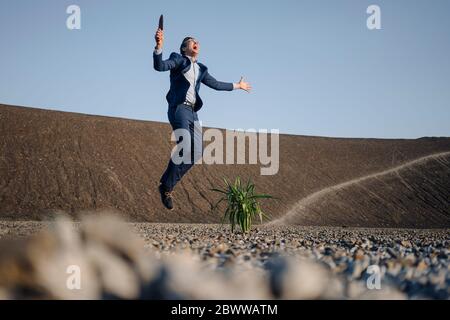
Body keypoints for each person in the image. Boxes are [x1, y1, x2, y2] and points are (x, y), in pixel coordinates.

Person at [153, 27, 252, 210]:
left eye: (197, 41)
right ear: (184, 48)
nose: (196, 42)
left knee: (197, 152)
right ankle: (166, 188)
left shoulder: (201, 69)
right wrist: (159, 46)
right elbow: (159, 66)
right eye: (192, 41)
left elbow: (216, 84)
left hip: (193, 113)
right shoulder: (178, 59)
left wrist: (238, 85)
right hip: (179, 109)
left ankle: (166, 184)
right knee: (185, 146)